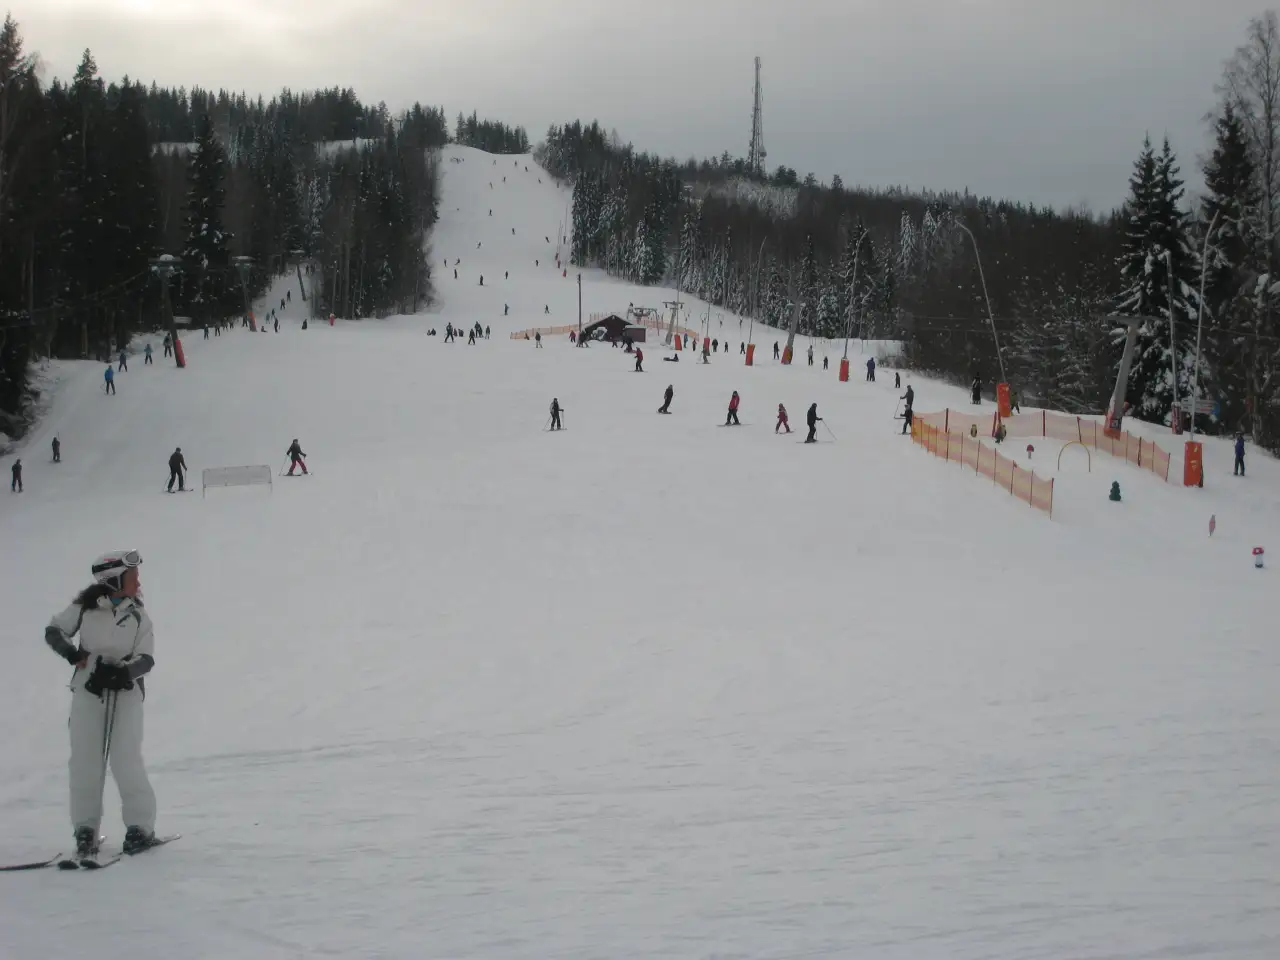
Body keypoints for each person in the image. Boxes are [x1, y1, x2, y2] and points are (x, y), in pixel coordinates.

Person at [44, 550, 159, 859]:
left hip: (126, 695)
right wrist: (72, 654)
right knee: (84, 763)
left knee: (125, 760)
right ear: (114, 579)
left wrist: (124, 672)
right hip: (87, 692)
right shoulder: (85, 608)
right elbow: (54, 631)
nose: (138, 582)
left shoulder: (139, 615)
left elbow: (146, 658)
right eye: (133, 577)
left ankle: (140, 828)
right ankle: (85, 831)